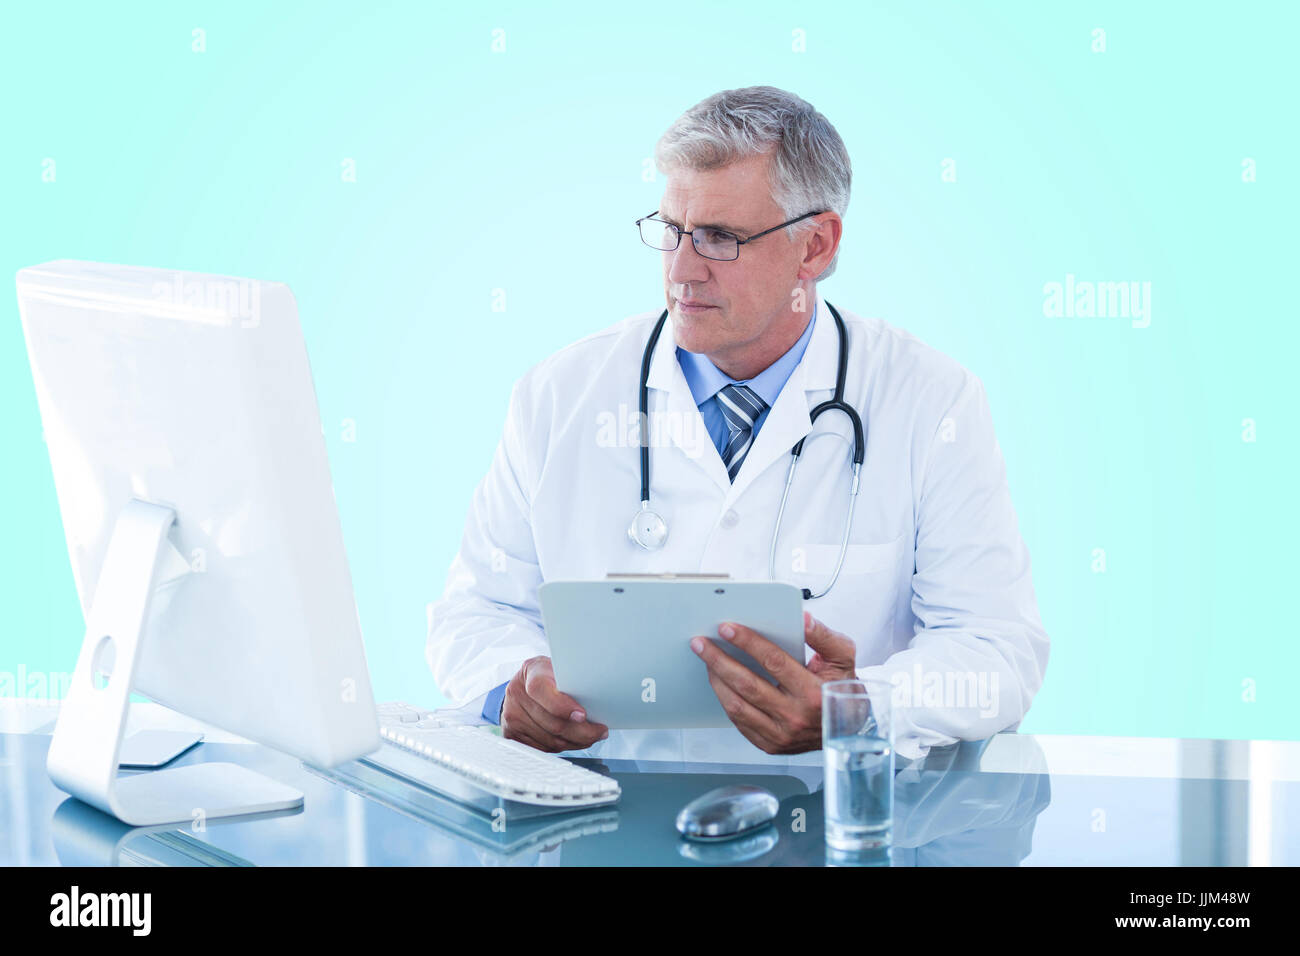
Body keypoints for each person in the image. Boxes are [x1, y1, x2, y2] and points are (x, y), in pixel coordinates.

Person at [426, 86, 1049, 763]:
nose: (682, 271)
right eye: (671, 231)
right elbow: (474, 612)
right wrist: (509, 692)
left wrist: (860, 707)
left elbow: (996, 648)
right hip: (604, 818)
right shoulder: (559, 395)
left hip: (833, 823)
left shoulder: (931, 401)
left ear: (815, 245)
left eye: (720, 239)